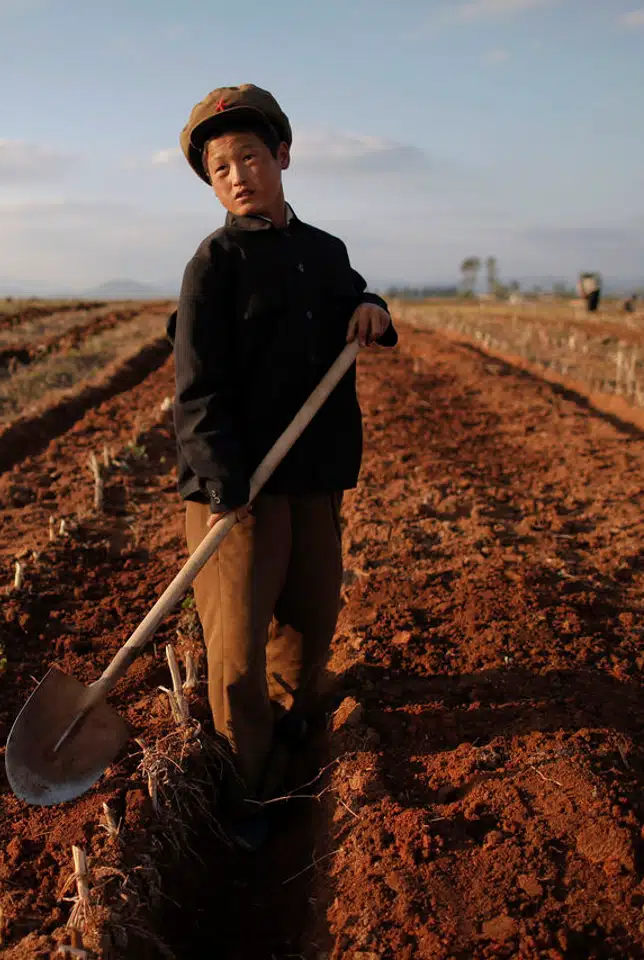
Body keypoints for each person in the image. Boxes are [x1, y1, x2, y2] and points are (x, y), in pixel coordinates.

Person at [166, 83, 397, 851]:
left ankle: (296, 752)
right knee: (236, 650)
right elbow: (196, 390)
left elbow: (352, 298)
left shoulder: (325, 253)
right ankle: (245, 793)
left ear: (283, 156)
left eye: (250, 157)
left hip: (312, 477)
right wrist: (223, 485)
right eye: (220, 168)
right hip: (239, 490)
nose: (237, 175)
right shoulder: (214, 265)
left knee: (311, 621)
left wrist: (371, 306)